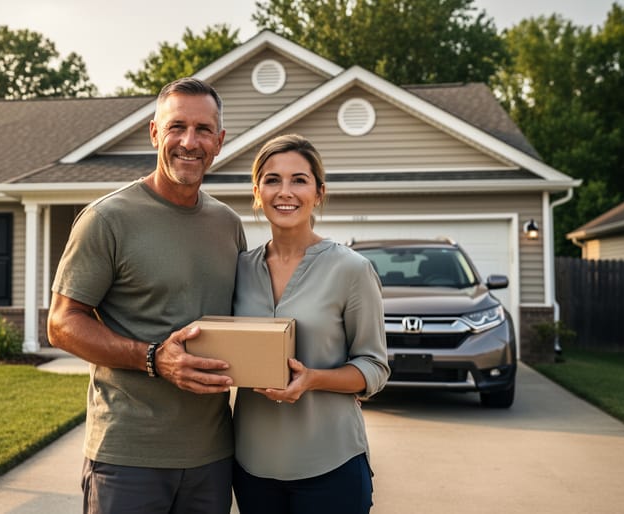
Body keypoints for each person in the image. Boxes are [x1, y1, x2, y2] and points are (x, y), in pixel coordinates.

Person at [46, 77, 247, 514]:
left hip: (212, 455)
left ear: (220, 141)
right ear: (154, 133)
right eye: (176, 127)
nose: (189, 142)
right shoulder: (107, 218)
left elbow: (244, 320)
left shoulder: (228, 224)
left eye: (203, 130)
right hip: (127, 456)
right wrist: (153, 357)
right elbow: (61, 324)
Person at [231, 134, 390, 514]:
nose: (285, 192)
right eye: (272, 180)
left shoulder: (352, 269)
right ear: (257, 192)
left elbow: (375, 367)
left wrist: (313, 379)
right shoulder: (238, 269)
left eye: (299, 180)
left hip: (331, 467)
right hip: (252, 468)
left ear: (319, 193)